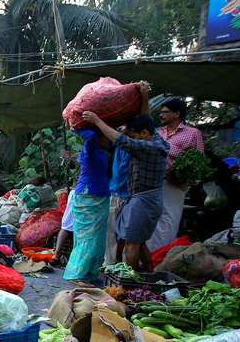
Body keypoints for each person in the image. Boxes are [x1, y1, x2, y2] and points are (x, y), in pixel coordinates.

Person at [83, 82, 169, 273]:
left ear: (143, 134)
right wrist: (144, 96)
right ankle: (149, 276)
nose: (131, 139)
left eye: (133, 135)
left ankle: (127, 281)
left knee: (131, 244)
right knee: (140, 242)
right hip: (147, 199)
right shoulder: (155, 138)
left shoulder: (148, 148)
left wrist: (97, 120)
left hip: (142, 200)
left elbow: (121, 140)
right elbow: (146, 118)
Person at [149, 98, 204, 251]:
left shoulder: (193, 133)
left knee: (169, 218)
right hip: (155, 181)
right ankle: (149, 255)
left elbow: (198, 159)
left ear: (177, 114)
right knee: (153, 216)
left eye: (165, 112)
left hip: (175, 183)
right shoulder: (159, 133)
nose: (162, 115)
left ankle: (162, 253)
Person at [63, 130, 112, 287]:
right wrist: (75, 126)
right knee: (88, 238)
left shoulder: (102, 152)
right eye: (105, 135)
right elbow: (90, 136)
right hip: (87, 198)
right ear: (99, 137)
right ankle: (76, 274)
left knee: (98, 240)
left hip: (100, 198)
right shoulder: (88, 152)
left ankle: (89, 273)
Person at [105, 145, 131, 265]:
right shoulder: (119, 144)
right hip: (114, 191)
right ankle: (108, 263)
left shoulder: (139, 145)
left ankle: (127, 265)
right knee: (109, 230)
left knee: (129, 234)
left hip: (130, 194)